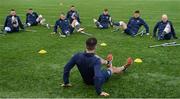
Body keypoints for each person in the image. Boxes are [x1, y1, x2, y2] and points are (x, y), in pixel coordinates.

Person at [62, 37, 133, 96]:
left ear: (85, 45)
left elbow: (66, 68)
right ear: (96, 46)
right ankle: (124, 67)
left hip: (86, 80)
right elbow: (97, 77)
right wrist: (99, 92)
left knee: (96, 57)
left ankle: (108, 62)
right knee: (112, 69)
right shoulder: (96, 61)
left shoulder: (77, 55)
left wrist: (66, 82)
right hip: (94, 81)